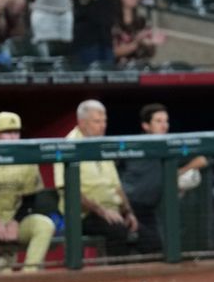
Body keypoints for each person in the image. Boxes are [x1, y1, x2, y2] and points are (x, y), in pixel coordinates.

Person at [54, 100, 154, 257]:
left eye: (104, 121)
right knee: (118, 232)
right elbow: (69, 190)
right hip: (83, 215)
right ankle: (117, 277)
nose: (103, 125)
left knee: (151, 241)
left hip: (112, 212)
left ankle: (142, 278)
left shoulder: (102, 143)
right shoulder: (68, 146)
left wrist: (128, 212)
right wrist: (103, 211)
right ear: (82, 122)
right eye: (97, 121)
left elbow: (117, 186)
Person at [0, 112, 55, 274]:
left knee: (45, 225)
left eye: (16, 132)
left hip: (15, 220)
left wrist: (16, 221)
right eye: (7, 132)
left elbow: (30, 198)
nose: (13, 137)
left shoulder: (26, 159)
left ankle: (29, 274)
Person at [119, 103, 206, 250]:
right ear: (146, 126)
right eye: (158, 121)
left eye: (166, 121)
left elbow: (202, 159)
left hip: (149, 210)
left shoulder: (170, 146)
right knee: (127, 248)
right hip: (126, 207)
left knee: (156, 248)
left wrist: (179, 172)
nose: (164, 125)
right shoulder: (132, 145)